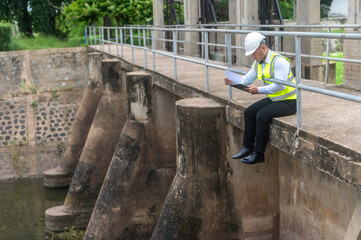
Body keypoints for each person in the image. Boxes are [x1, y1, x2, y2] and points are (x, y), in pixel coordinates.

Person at [224, 32, 297, 164]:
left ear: (263, 48)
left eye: (254, 53)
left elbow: (279, 86)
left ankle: (258, 154)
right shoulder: (258, 63)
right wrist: (232, 81)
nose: (253, 56)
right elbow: (246, 79)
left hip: (289, 101)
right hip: (275, 98)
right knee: (249, 112)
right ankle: (247, 147)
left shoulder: (279, 61)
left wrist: (258, 90)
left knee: (262, 116)